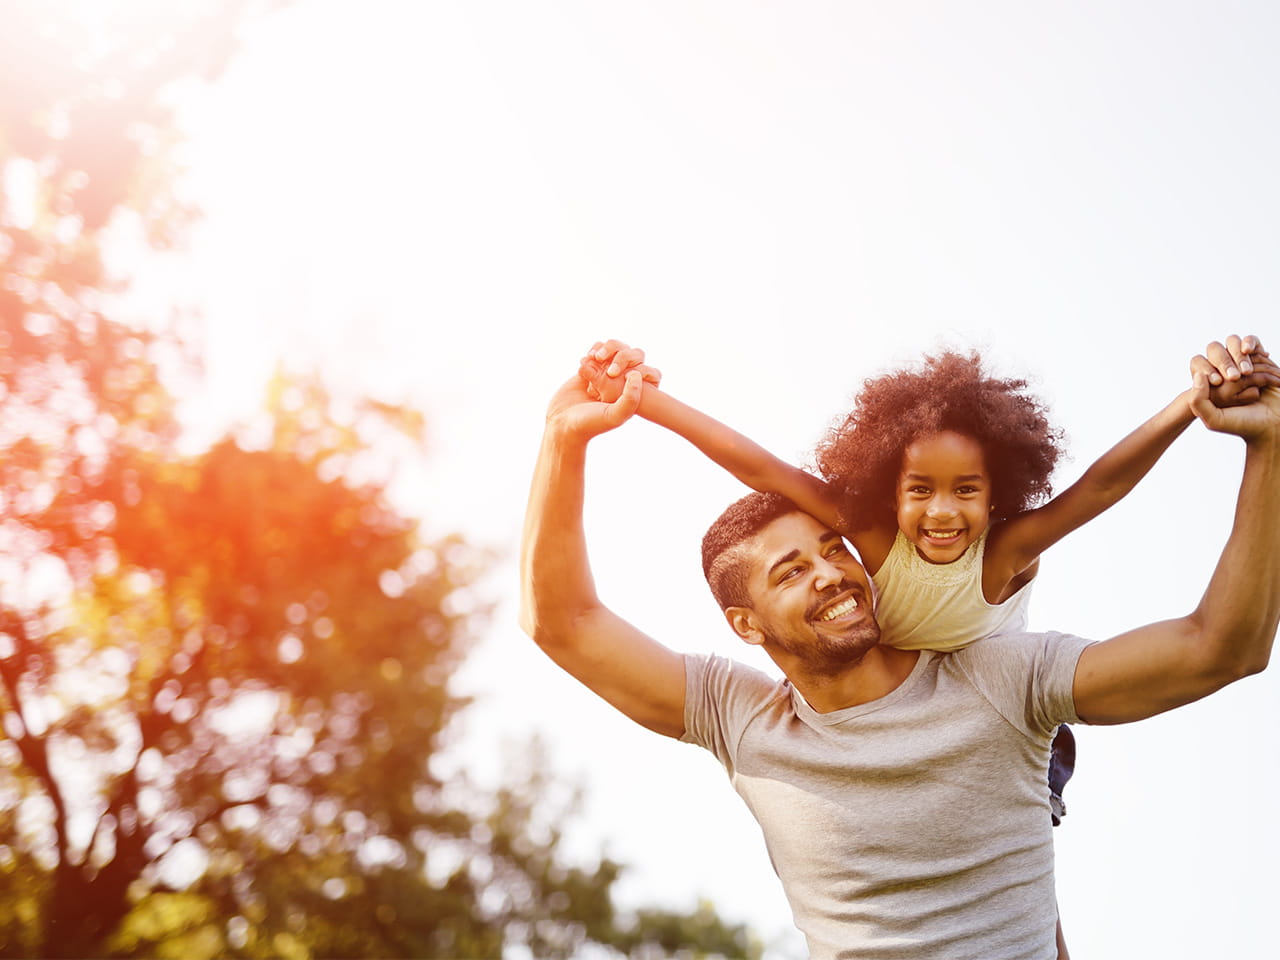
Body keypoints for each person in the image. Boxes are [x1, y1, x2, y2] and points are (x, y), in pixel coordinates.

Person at [519, 337, 1280, 959]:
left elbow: (1220, 648)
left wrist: (1269, 450)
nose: (831, 573)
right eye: (791, 572)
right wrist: (564, 440)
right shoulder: (741, 719)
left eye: (832, 549)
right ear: (747, 625)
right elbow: (564, 621)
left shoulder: (1001, 679)